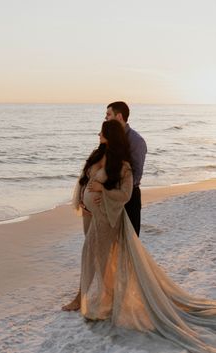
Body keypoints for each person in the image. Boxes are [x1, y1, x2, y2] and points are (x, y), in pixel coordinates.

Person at [63, 119, 216, 353]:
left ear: (109, 136)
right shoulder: (96, 155)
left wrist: (102, 191)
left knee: (100, 258)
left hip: (107, 219)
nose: (97, 134)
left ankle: (100, 303)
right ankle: (90, 297)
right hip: (92, 216)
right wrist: (83, 201)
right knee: (89, 254)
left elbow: (124, 194)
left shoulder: (122, 165)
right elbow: (86, 179)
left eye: (101, 132)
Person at [105, 101, 147, 237]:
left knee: (131, 241)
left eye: (108, 114)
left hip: (130, 198)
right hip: (113, 196)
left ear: (119, 117)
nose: (106, 118)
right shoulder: (109, 138)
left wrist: (121, 193)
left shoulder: (136, 141)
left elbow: (137, 173)